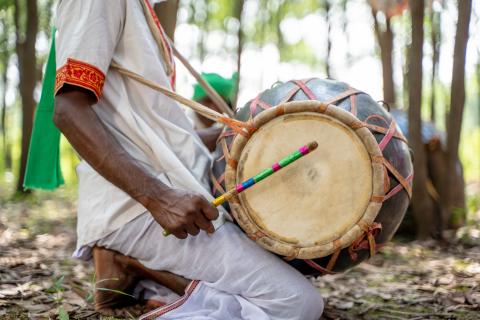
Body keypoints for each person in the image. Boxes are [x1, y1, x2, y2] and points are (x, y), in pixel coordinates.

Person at [49, 1, 323, 319]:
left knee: (284, 276)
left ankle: (136, 270)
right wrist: (159, 199)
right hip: (135, 208)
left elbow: (160, 133)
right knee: (296, 303)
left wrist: (251, 134)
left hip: (171, 191)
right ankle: (129, 260)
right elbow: (68, 110)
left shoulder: (140, 8)